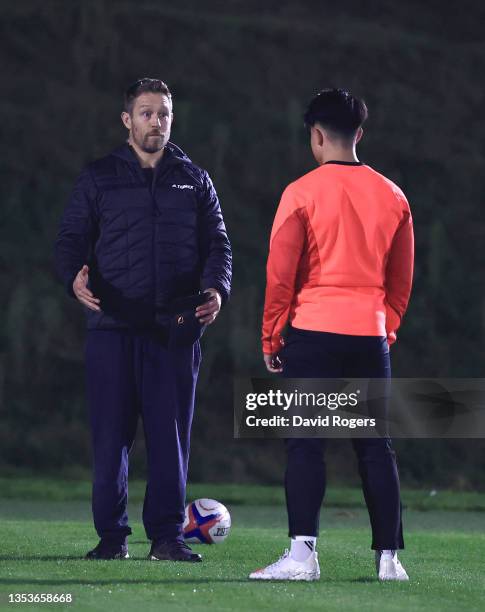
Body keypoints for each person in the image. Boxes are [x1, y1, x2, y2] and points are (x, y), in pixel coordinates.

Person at [54, 78, 232, 562]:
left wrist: (217, 288)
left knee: (170, 441)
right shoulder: (99, 177)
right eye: (147, 112)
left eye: (164, 113)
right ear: (127, 119)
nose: (157, 121)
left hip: (173, 331)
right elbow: (69, 241)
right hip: (112, 327)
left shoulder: (193, 178)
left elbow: (218, 243)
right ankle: (112, 539)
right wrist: (74, 276)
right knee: (111, 441)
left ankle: (166, 539)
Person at [249, 88, 413, 581]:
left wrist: (271, 337)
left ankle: (303, 557)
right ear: (358, 134)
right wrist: (386, 327)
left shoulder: (300, 192)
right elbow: (401, 280)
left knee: (306, 443)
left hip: (314, 331)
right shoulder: (393, 195)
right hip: (368, 334)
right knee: (374, 446)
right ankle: (390, 560)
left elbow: (281, 273)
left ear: (316, 136)